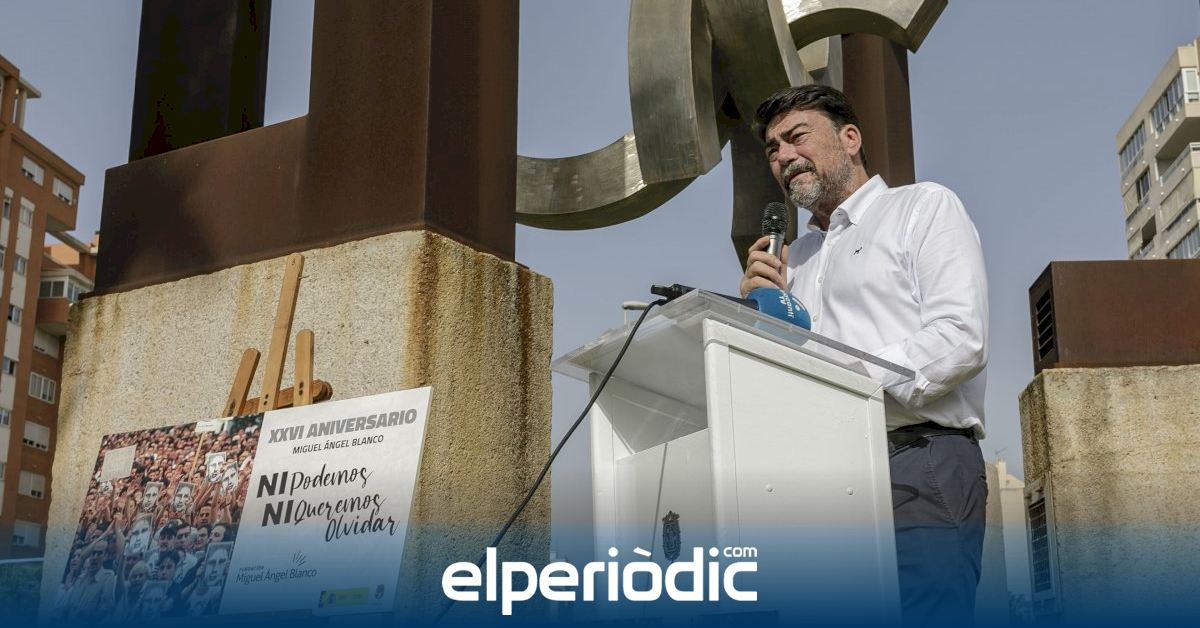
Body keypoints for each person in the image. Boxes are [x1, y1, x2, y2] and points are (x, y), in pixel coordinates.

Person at [741, 84, 988, 625]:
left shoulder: (922, 208)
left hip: (917, 457)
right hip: (819, 476)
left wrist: (843, 381)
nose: (784, 156)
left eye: (797, 136)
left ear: (850, 139)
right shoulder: (793, 260)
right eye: (773, 149)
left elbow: (960, 337)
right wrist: (758, 314)